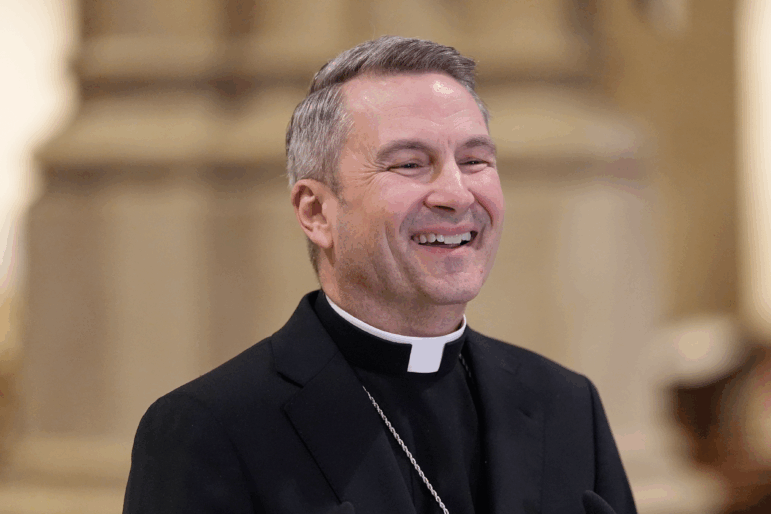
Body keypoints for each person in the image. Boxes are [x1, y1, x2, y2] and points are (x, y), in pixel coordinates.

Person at [123, 36, 637, 514]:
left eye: (475, 160)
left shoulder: (567, 406)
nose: (456, 194)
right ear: (316, 212)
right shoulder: (211, 428)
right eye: (409, 164)